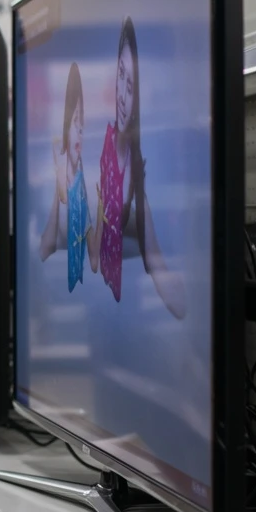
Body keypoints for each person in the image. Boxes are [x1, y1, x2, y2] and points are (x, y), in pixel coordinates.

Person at [91, 17, 187, 319]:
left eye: (130, 86)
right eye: (121, 76)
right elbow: (94, 257)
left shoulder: (140, 180)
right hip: (100, 310)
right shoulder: (104, 148)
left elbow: (160, 269)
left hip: (126, 312)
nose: (122, 94)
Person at [39, 62, 91, 293]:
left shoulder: (85, 184)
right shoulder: (55, 177)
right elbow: (45, 248)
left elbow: (95, 261)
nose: (78, 133)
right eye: (74, 123)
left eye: (82, 127)